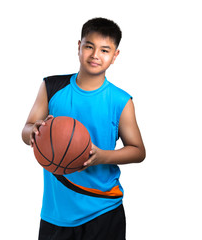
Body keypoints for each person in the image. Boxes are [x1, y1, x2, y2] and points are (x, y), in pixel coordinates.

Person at [22, 17, 145, 240]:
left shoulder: (121, 100)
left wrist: (102, 156)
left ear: (115, 56)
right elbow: (27, 129)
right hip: (57, 213)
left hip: (104, 209)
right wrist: (32, 131)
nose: (95, 55)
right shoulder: (51, 87)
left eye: (105, 50)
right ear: (79, 47)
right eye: (89, 46)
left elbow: (138, 151)